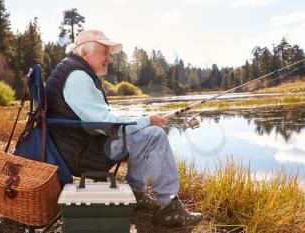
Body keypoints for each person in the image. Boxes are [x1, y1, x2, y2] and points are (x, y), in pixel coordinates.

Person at [45, 29, 202, 227]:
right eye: (105, 52)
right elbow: (106, 124)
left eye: (109, 54)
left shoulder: (72, 70)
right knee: (153, 136)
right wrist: (146, 121)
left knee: (141, 132)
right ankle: (168, 207)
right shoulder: (77, 77)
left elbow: (100, 118)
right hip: (82, 152)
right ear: (85, 52)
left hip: (77, 144)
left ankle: (136, 193)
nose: (109, 58)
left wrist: (140, 120)